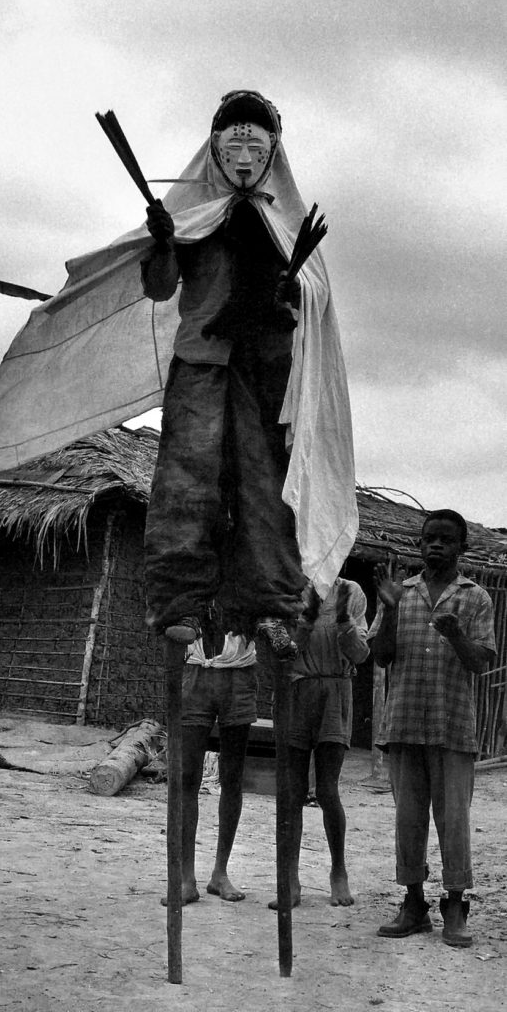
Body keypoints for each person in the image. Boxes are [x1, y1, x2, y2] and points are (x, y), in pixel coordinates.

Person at [141, 89, 357, 657]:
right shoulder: (191, 217)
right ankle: (178, 602)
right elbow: (161, 286)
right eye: (233, 141)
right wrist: (164, 242)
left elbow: (314, 296)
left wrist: (287, 296)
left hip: (267, 366)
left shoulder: (283, 223)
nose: (243, 154)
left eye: (253, 143)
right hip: (203, 361)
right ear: (215, 150)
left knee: (268, 485)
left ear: (271, 153)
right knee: (187, 479)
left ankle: (270, 606)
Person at [368, 509, 496, 948]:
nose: (435, 546)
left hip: (452, 727)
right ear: (420, 545)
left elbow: (481, 663)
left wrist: (457, 635)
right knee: (408, 821)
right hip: (403, 723)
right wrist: (387, 612)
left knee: (453, 821)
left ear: (462, 548)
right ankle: (413, 904)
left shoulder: (475, 596)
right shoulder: (398, 593)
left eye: (445, 540)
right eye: (428, 539)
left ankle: (455, 906)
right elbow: (382, 658)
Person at [269, 577, 370, 910]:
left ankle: (338, 870)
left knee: (327, 788)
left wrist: (343, 620)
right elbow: (281, 650)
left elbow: (359, 654)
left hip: (335, 690)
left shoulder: (351, 592)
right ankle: (291, 878)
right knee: (292, 790)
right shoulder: (292, 590)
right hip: (298, 689)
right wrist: (307, 620)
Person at [161, 607, 258, 905]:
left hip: (239, 674)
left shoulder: (246, 568)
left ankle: (220, 873)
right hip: (196, 672)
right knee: (187, 776)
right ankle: (186, 878)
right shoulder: (191, 568)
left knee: (232, 777)